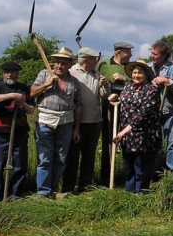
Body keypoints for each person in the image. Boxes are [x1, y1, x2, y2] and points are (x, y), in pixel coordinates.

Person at [30, 47, 82, 198]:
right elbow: (31, 93)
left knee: (60, 158)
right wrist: (46, 84)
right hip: (45, 121)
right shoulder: (44, 74)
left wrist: (77, 129)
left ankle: (51, 190)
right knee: (44, 157)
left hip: (66, 123)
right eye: (57, 63)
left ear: (70, 65)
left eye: (64, 63)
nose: (59, 66)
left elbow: (78, 105)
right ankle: (43, 191)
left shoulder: (74, 82)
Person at [108, 60, 161, 193]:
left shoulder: (151, 90)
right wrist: (115, 97)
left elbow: (144, 113)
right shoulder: (128, 86)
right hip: (128, 136)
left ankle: (141, 192)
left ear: (146, 75)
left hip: (144, 136)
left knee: (141, 166)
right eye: (134, 72)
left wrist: (126, 130)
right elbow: (124, 101)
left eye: (140, 73)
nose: (136, 75)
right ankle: (129, 192)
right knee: (128, 165)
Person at [63, 47, 110, 192]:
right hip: (77, 122)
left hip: (94, 121)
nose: (96, 62)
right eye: (93, 59)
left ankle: (85, 185)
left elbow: (104, 95)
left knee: (89, 156)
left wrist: (105, 85)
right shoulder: (71, 72)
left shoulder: (96, 73)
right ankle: (68, 187)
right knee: (73, 156)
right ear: (85, 60)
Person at [0, 61, 35, 201]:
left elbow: (31, 110)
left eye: (12, 72)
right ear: (3, 73)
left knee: (19, 165)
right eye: (7, 71)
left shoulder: (24, 88)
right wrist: (12, 96)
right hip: (2, 132)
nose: (9, 74)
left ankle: (15, 193)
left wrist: (23, 104)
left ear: (17, 73)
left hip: (19, 131)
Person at [97, 41, 133, 186]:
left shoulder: (130, 67)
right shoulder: (104, 65)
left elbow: (137, 81)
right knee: (108, 142)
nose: (130, 55)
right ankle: (106, 179)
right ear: (119, 52)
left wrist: (125, 79)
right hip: (109, 109)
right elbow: (97, 81)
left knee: (126, 142)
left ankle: (126, 177)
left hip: (127, 110)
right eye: (128, 52)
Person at [149, 41, 173, 176]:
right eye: (151, 53)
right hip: (151, 113)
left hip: (169, 113)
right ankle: (153, 173)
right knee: (153, 144)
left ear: (163, 55)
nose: (152, 56)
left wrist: (167, 82)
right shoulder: (147, 68)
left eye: (155, 54)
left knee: (171, 144)